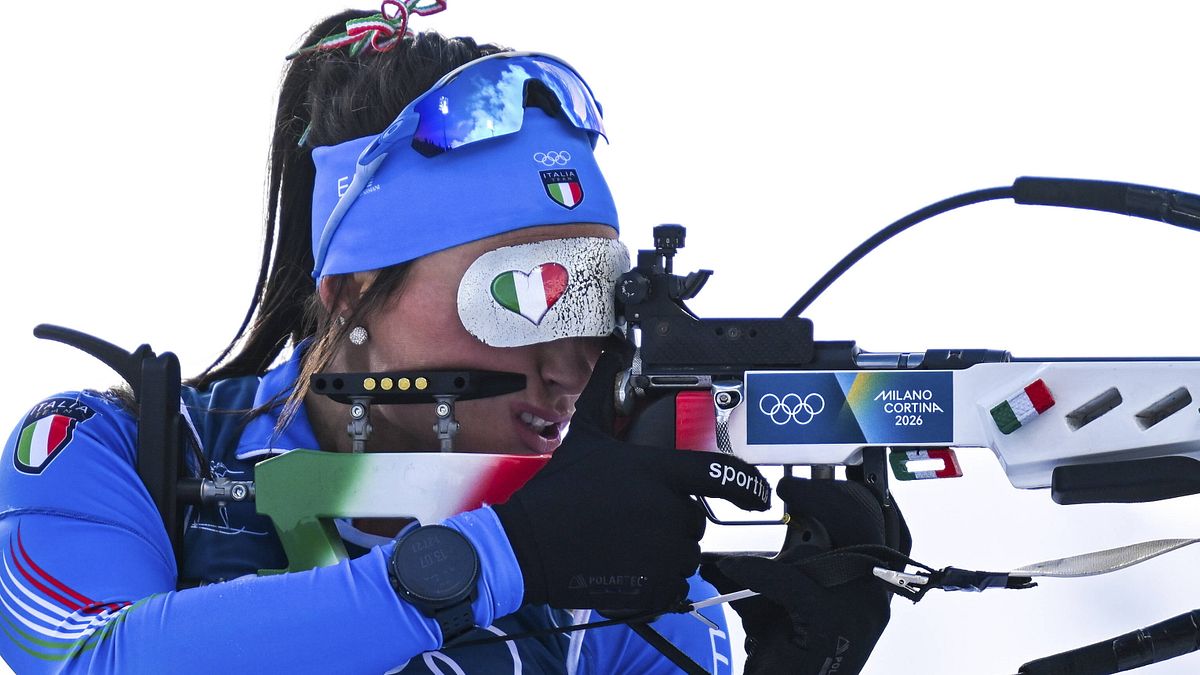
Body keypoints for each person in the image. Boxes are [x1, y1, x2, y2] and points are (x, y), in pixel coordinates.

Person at [0, 6, 907, 674]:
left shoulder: (607, 534)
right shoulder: (108, 451)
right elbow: (89, 657)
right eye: (524, 295)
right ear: (352, 293)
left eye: (598, 300)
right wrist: (499, 558)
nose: (574, 362)